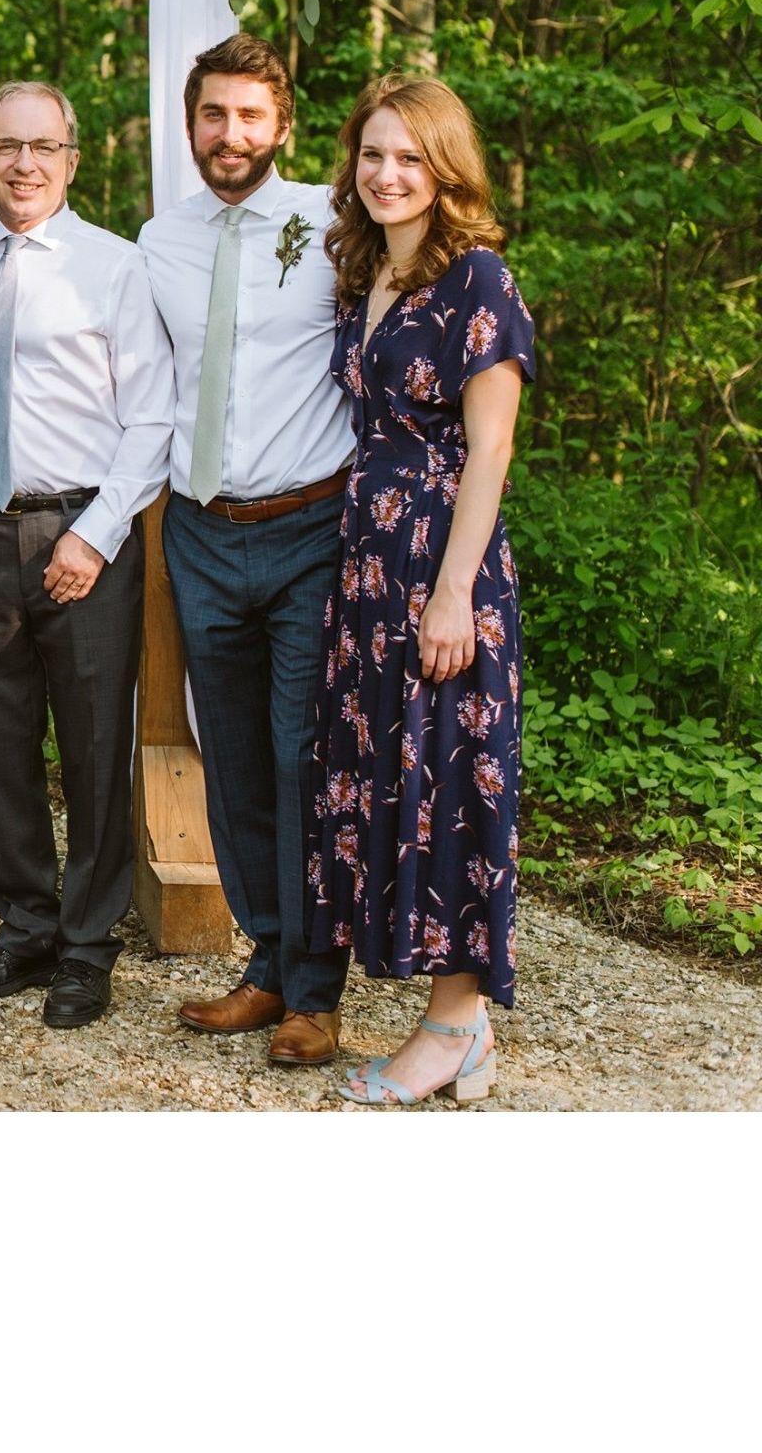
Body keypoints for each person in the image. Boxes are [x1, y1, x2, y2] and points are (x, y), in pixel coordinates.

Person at [308, 76, 534, 1106]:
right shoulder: (365, 277)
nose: (386, 173)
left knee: (447, 783)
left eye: (408, 157)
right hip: (366, 563)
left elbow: (488, 451)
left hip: (443, 564)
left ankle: (449, 1026)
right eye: (371, 155)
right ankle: (462, 1029)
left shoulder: (477, 280)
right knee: (392, 781)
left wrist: (450, 596)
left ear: (445, 169)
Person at [137, 33, 353, 1067]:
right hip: (199, 532)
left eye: (250, 116)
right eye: (213, 115)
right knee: (226, 758)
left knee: (298, 753)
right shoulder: (158, 239)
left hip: (310, 527)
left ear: (282, 126)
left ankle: (315, 988)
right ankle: (264, 964)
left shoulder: (334, 226)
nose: (230, 135)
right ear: (189, 124)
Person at [0, 83, 172, 1028]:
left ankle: (88, 946)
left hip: (84, 532)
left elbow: (151, 417)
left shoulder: (113, 267)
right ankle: (26, 929)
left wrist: (94, 535)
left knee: (90, 750)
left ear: (73, 160)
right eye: (4, 146)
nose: (22, 164)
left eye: (42, 147)